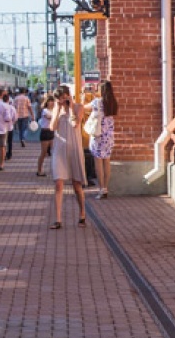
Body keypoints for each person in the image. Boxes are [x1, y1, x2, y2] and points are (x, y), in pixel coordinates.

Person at [48, 85, 87, 229]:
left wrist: (70, 107)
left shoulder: (78, 108)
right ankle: (58, 219)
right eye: (59, 99)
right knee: (58, 183)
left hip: (74, 149)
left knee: (77, 185)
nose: (61, 101)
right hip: (59, 149)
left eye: (63, 98)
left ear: (68, 96)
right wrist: (57, 110)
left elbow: (75, 124)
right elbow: (52, 128)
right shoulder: (56, 110)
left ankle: (82, 214)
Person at [89, 80, 119, 198]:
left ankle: (101, 188)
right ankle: (105, 187)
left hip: (98, 135)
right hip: (109, 135)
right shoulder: (112, 102)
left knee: (98, 162)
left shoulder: (97, 102)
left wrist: (90, 95)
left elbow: (85, 107)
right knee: (106, 161)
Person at [36, 93, 56, 177]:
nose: (51, 103)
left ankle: (55, 170)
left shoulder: (55, 110)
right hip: (45, 132)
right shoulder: (45, 111)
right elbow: (50, 118)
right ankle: (39, 170)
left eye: (52, 101)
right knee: (44, 153)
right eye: (50, 101)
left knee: (55, 152)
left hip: (53, 132)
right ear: (47, 102)